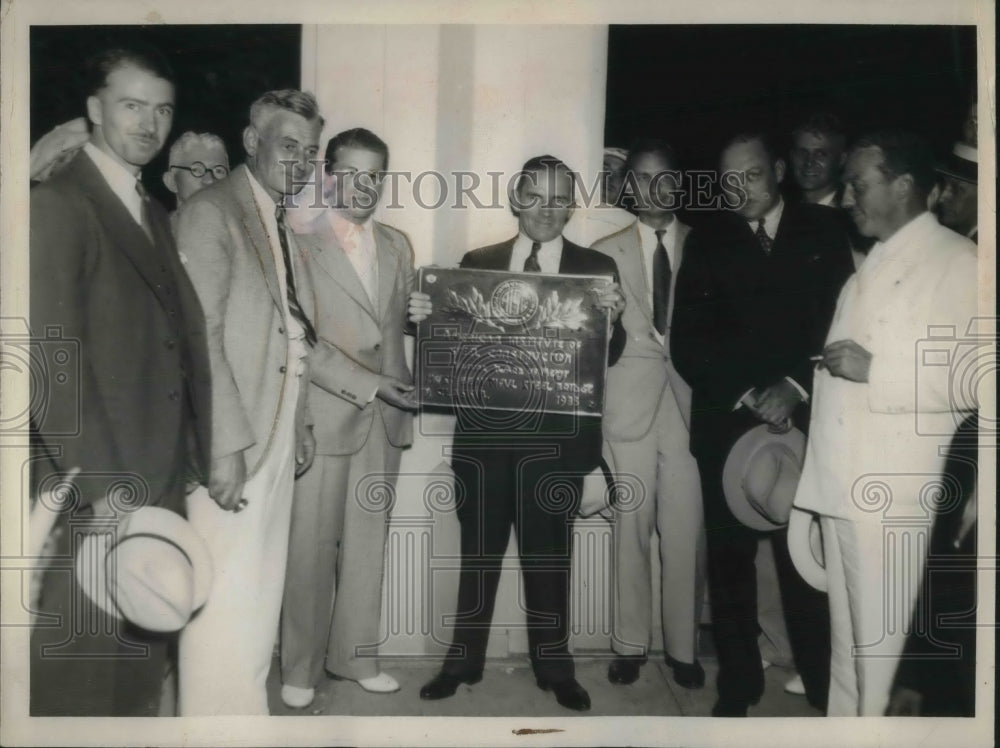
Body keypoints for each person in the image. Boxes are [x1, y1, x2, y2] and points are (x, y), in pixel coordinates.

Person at [29, 44, 211, 716]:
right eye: (132, 105)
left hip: (156, 473)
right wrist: (101, 487)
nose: (150, 123)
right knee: (78, 677)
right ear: (94, 109)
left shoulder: (151, 210)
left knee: (139, 664)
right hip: (94, 487)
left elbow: (177, 341)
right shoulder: (59, 203)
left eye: (162, 109)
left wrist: (191, 449)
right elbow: (50, 359)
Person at [411, 155, 626, 712]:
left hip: (556, 441)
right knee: (478, 557)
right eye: (537, 196)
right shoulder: (476, 264)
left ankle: (555, 669)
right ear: (516, 199)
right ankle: (462, 662)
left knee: (549, 559)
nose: (548, 209)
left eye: (560, 198)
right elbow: (449, 347)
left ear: (572, 205)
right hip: (484, 438)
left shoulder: (596, 268)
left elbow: (610, 358)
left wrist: (614, 320)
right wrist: (424, 318)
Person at [792, 130, 978, 717]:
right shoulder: (871, 264)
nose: (848, 198)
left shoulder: (958, 261)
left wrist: (881, 370)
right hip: (844, 491)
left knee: (879, 663)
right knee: (848, 660)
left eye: (859, 185)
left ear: (904, 187)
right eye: (848, 186)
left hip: (893, 499)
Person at [671, 132, 854, 717]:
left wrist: (795, 388)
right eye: (727, 180)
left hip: (803, 422)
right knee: (728, 570)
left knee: (805, 564)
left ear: (777, 170)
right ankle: (739, 688)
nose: (738, 190)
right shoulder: (706, 239)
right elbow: (688, 343)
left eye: (750, 175)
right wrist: (750, 393)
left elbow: (840, 325)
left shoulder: (825, 232)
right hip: (727, 426)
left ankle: (825, 689)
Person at [174, 89, 323, 715]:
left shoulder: (275, 216)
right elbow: (199, 335)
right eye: (289, 146)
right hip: (235, 439)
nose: (301, 162)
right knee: (222, 597)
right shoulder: (213, 210)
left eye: (310, 152)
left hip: (277, 429)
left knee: (260, 590)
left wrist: (302, 421)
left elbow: (291, 331)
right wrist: (223, 446)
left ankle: (245, 720)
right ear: (252, 141)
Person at [279, 128, 416, 709]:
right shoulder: (295, 240)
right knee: (310, 548)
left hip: (385, 418)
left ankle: (355, 657)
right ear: (327, 174)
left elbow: (397, 327)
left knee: (367, 545)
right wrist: (369, 384)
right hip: (327, 413)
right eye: (352, 174)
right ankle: (301, 670)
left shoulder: (398, 244)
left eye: (375, 177)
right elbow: (301, 340)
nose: (364, 187)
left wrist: (425, 316)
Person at [590, 139, 706, 690]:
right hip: (627, 406)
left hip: (688, 406)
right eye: (641, 179)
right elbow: (590, 340)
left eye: (664, 179)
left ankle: (683, 650)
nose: (653, 190)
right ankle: (629, 645)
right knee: (629, 527)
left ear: (678, 183)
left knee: (685, 529)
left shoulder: (706, 245)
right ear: (627, 186)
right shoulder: (601, 250)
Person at [162, 131, 230, 227]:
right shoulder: (154, 237)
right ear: (171, 182)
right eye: (197, 170)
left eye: (219, 171)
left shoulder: (244, 236)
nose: (210, 180)